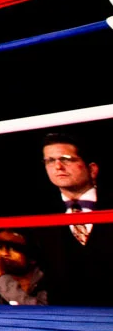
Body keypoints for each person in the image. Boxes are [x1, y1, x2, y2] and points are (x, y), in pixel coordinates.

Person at [35, 131, 111, 306]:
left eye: (67, 159)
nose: (58, 166)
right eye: (50, 160)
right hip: (66, 320)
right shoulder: (41, 216)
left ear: (92, 169)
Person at [0, 231, 47, 306]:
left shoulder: (48, 282)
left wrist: (0, 279)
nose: (4, 253)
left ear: (32, 257)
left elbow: (40, 313)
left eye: (13, 248)